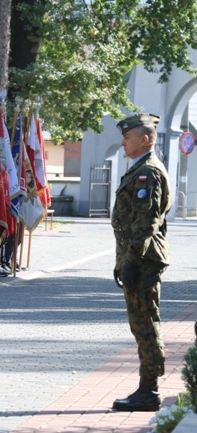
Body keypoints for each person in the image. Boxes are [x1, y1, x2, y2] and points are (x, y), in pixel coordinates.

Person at [111, 113, 172, 412]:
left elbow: (144, 223)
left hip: (144, 260)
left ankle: (149, 390)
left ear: (144, 139)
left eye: (128, 136)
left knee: (146, 324)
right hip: (138, 258)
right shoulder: (139, 169)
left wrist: (131, 261)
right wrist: (122, 260)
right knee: (141, 324)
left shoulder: (148, 172)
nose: (123, 141)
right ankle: (147, 386)